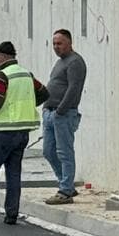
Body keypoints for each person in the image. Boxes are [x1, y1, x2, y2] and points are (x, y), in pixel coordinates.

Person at [0, 40, 47, 226]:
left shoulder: (1, 77)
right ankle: (11, 214)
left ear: (4, 57)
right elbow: (45, 94)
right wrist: (27, 105)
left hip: (2, 132)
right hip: (22, 132)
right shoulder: (26, 75)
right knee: (13, 173)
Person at [42, 27, 87, 206]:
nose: (56, 47)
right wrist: (46, 108)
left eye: (59, 43)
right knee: (48, 151)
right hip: (50, 113)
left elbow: (74, 89)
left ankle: (65, 190)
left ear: (69, 43)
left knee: (64, 152)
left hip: (63, 115)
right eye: (54, 43)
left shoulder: (75, 62)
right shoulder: (60, 62)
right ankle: (66, 184)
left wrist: (60, 110)